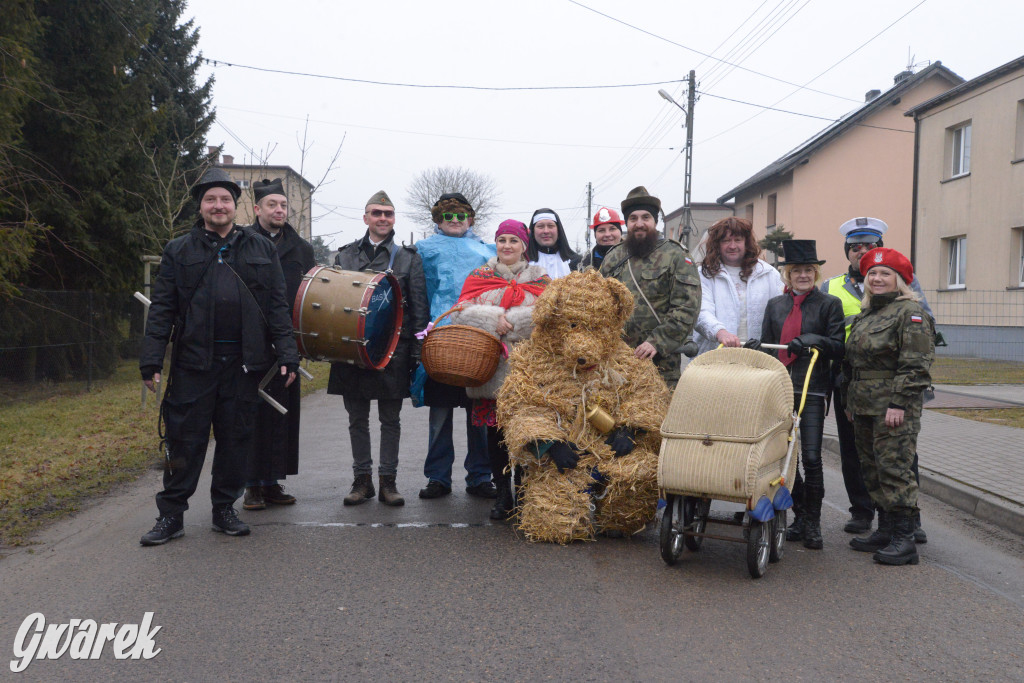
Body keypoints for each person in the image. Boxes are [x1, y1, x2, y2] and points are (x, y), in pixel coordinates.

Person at [138, 167, 299, 545]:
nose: (218, 205)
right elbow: (161, 309)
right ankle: (171, 516)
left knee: (235, 439)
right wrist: (151, 359)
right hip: (194, 363)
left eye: (225, 199)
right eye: (211, 199)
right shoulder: (179, 250)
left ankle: (224, 509)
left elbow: (278, 305)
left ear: (235, 205)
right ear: (201, 206)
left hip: (244, 365)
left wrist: (288, 353)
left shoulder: (261, 248)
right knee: (184, 441)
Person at [826, 217, 930, 542]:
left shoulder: (908, 306)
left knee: (896, 466)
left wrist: (900, 401)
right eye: (872, 273)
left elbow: (916, 359)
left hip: (893, 399)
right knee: (868, 464)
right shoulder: (861, 308)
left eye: (885, 273)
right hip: (859, 396)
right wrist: (848, 400)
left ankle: (905, 534)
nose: (877, 278)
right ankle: (881, 527)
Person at [327, 190, 429, 506]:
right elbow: (333, 305)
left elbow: (419, 310)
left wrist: (415, 353)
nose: (382, 218)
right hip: (351, 351)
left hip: (393, 352)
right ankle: (362, 482)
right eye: (376, 213)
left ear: (394, 219)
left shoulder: (408, 258)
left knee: (390, 419)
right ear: (366, 218)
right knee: (356, 419)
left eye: (387, 213)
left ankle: (388, 482)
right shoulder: (344, 257)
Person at [449, 219, 550, 520]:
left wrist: (516, 323)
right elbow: (459, 312)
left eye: (513, 241)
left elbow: (550, 317)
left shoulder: (540, 279)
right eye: (502, 240)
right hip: (490, 369)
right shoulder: (481, 276)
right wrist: (493, 318)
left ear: (523, 246)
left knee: (528, 433)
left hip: (527, 371)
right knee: (495, 435)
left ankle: (525, 487)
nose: (507, 245)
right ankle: (503, 491)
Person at [748, 240, 844, 549]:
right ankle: (800, 515)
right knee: (785, 457)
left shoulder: (829, 304)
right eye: (796, 271)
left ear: (816, 273)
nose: (802, 275)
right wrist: (755, 347)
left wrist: (813, 339)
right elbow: (767, 342)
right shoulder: (776, 305)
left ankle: (813, 523)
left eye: (808, 270)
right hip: (779, 389)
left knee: (812, 457)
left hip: (812, 388)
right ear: (787, 274)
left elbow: (838, 345)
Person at [412, 192, 497, 500]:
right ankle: (438, 477)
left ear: (469, 219)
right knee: (440, 413)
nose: (456, 222)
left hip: (476, 338)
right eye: (449, 217)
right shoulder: (423, 249)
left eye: (461, 216)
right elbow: (417, 290)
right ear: (438, 220)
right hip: (439, 337)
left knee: (479, 415)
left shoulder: (485, 250)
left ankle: (480, 475)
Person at [242, 178, 315, 511]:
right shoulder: (241, 243)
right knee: (253, 414)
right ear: (258, 209)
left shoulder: (302, 249)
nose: (279, 210)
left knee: (282, 416)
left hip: (288, 343)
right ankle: (252, 486)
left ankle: (272, 482)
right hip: (252, 341)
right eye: (272, 205)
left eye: (283, 205)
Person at [598, 185, 701, 389]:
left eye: (646, 217)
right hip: (618, 363)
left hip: (661, 364)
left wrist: (656, 341)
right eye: (633, 219)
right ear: (626, 223)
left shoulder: (676, 255)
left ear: (655, 221)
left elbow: (687, 307)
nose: (639, 224)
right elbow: (598, 304)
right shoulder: (613, 257)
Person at [693, 216, 783, 356]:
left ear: (747, 243)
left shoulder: (768, 274)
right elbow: (701, 312)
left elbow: (781, 314)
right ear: (717, 244)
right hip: (715, 359)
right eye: (726, 241)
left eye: (738, 240)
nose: (732, 246)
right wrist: (720, 332)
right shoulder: (704, 275)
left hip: (757, 360)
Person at [527, 208, 580, 278]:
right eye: (540, 226)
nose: (546, 231)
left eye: (550, 226)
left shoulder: (576, 262)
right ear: (533, 232)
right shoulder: (524, 263)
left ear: (558, 230)